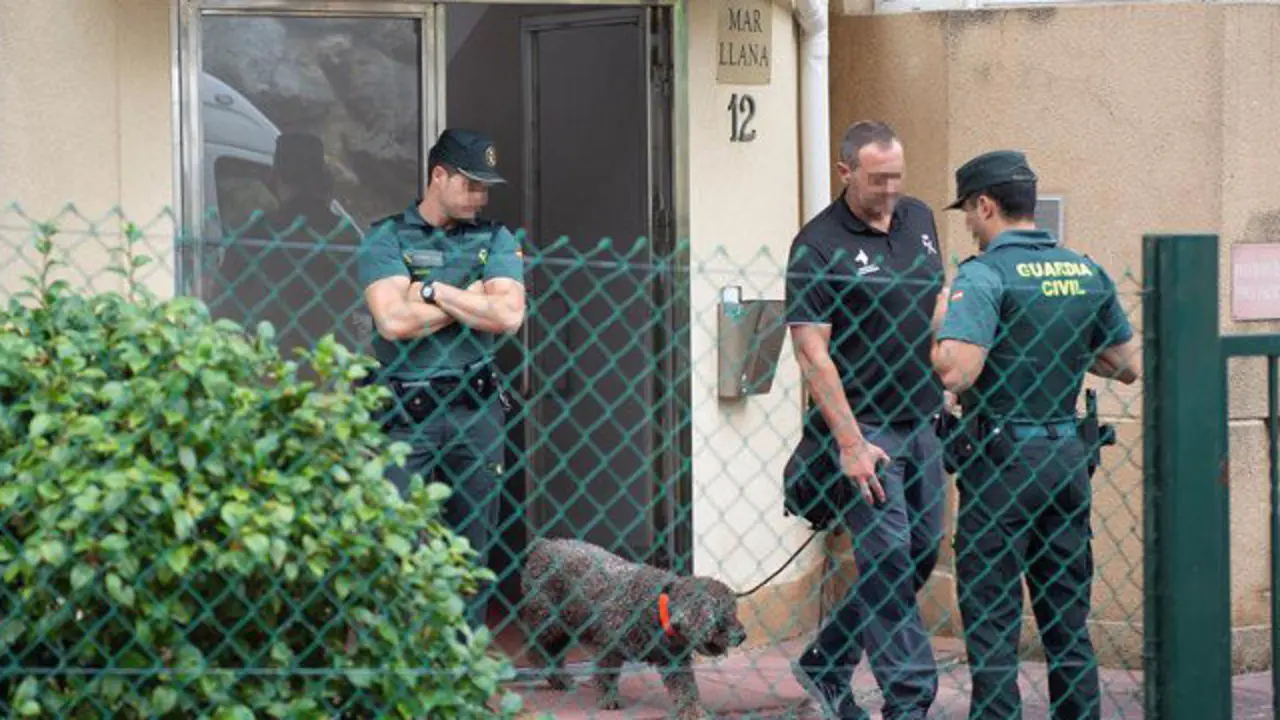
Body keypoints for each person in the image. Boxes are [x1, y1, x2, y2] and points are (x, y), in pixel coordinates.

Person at [930, 150, 1139, 720]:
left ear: (986, 204)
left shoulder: (984, 274)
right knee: (1067, 618)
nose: (969, 225)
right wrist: (1056, 348)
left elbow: (956, 371)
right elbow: (1124, 362)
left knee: (994, 618)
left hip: (1001, 466)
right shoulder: (1083, 269)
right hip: (1068, 460)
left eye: (970, 213)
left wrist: (937, 327)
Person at [784, 120, 947, 720]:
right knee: (886, 558)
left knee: (922, 550)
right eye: (878, 179)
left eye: (898, 176)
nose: (890, 190)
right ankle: (909, 700)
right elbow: (811, 350)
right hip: (865, 428)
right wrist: (850, 444)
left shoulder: (921, 220)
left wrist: (950, 375)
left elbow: (935, 301)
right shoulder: (818, 244)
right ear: (845, 171)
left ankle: (827, 661)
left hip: (923, 419)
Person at [356, 128, 526, 632]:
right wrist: (468, 297)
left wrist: (428, 290)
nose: (481, 197)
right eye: (471, 184)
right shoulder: (387, 237)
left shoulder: (495, 238)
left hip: (475, 414)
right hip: (403, 417)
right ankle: (397, 667)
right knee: (395, 548)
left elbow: (509, 315)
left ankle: (462, 672)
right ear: (438, 176)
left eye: (485, 187)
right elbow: (392, 322)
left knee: (470, 553)